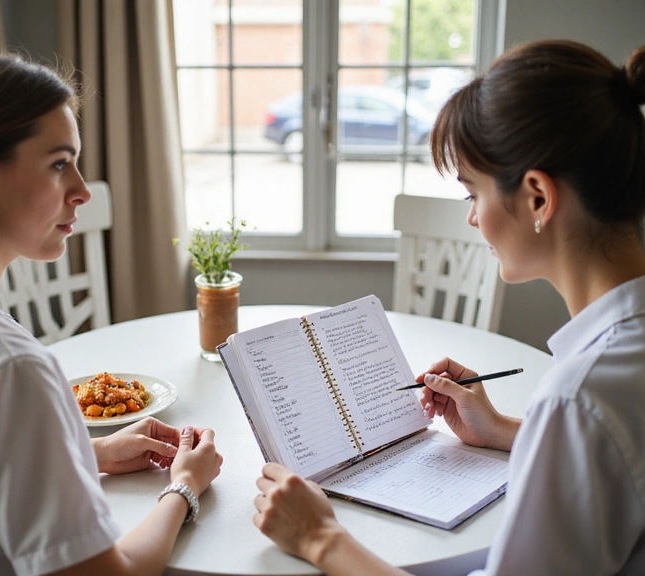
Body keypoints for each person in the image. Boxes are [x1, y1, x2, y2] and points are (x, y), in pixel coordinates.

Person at [252, 39, 645, 576]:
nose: (472, 219)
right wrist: (503, 429)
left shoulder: (580, 397)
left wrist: (320, 538)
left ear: (537, 196)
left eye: (471, 194)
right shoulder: (607, 379)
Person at [0, 45, 222, 576]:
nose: (82, 191)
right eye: (59, 164)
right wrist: (185, 487)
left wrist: (86, 453)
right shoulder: (9, 371)